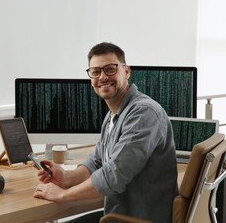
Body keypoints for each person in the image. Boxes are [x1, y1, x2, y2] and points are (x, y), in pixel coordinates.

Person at [33, 42, 178, 222]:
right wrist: (66, 178)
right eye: (95, 71)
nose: (102, 77)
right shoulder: (113, 114)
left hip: (138, 219)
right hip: (118, 214)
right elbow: (97, 161)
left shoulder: (143, 113)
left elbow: (114, 175)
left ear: (126, 71)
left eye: (110, 69)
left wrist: (64, 195)